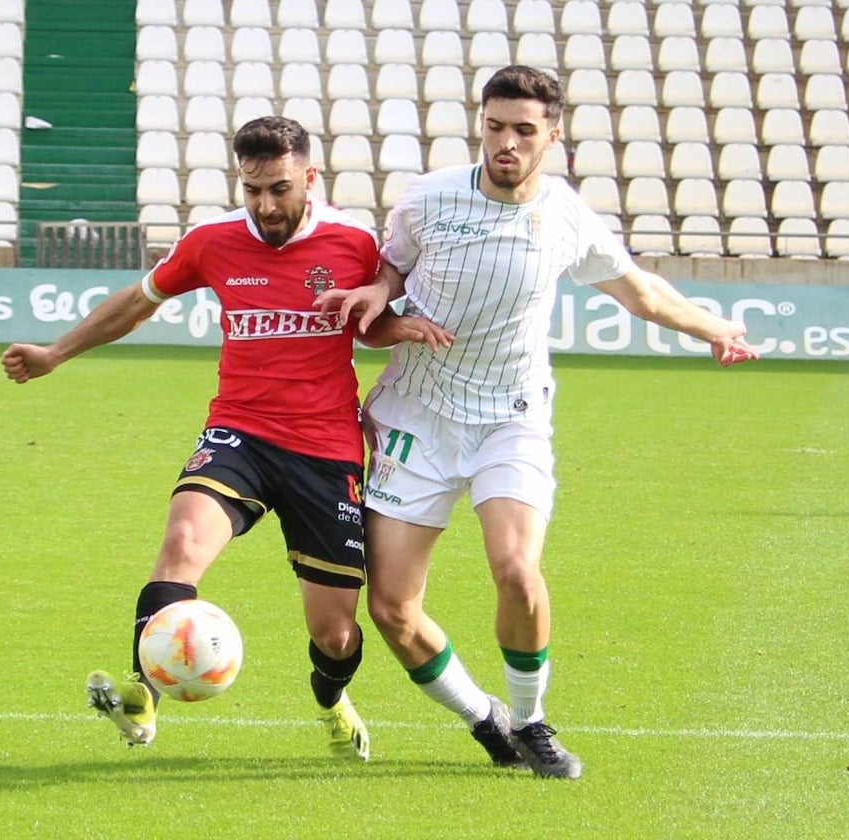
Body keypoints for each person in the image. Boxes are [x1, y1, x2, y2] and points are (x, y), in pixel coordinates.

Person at [320, 66, 759, 779]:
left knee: (517, 571)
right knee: (393, 610)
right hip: (416, 419)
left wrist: (712, 328)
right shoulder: (429, 198)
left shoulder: (565, 216)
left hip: (511, 418)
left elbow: (641, 292)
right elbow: (394, 268)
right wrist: (379, 290)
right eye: (495, 127)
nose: (506, 143)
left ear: (553, 136)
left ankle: (532, 719)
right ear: (481, 125)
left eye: (524, 131)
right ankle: (482, 717)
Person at [1, 116, 436, 761]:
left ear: (310, 178)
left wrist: (392, 328)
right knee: (181, 543)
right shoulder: (213, 241)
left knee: (337, 632)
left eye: (279, 189)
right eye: (253, 188)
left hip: (326, 447)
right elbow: (137, 302)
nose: (265, 205)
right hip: (241, 432)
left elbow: (367, 319)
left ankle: (329, 701)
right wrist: (55, 353)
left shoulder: (354, 241)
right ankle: (142, 698)